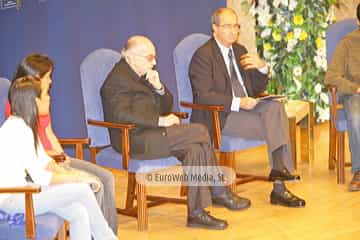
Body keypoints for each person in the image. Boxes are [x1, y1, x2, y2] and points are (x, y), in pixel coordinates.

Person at [101, 35, 250, 230]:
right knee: (200, 130)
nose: (154, 62)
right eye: (150, 57)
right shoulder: (116, 80)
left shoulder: (142, 74)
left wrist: (159, 88)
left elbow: (165, 105)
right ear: (131, 57)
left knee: (195, 149)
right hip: (133, 139)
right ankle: (217, 191)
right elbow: (120, 115)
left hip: (152, 134)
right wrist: (160, 121)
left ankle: (196, 213)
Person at [189, 7, 305, 207]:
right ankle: (280, 188)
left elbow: (257, 87)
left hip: (248, 109)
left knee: (275, 108)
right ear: (214, 28)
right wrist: (238, 102)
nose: (233, 31)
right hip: (222, 116)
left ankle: (279, 176)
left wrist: (262, 68)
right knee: (276, 126)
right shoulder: (203, 56)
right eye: (227, 26)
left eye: (236, 26)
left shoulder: (240, 51)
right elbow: (203, 95)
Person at [5, 54, 118, 232]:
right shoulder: (18, 129)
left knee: (79, 212)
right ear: (34, 102)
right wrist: (79, 177)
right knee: (82, 189)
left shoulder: (25, 126)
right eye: (45, 96)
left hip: (25, 190)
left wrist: (65, 165)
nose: (49, 98)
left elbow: (45, 161)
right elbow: (41, 177)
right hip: (15, 198)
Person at [325, 3, 360, 191]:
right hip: (355, 95)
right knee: (356, 116)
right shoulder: (347, 43)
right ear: (358, 21)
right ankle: (359, 169)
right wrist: (355, 88)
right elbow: (330, 77)